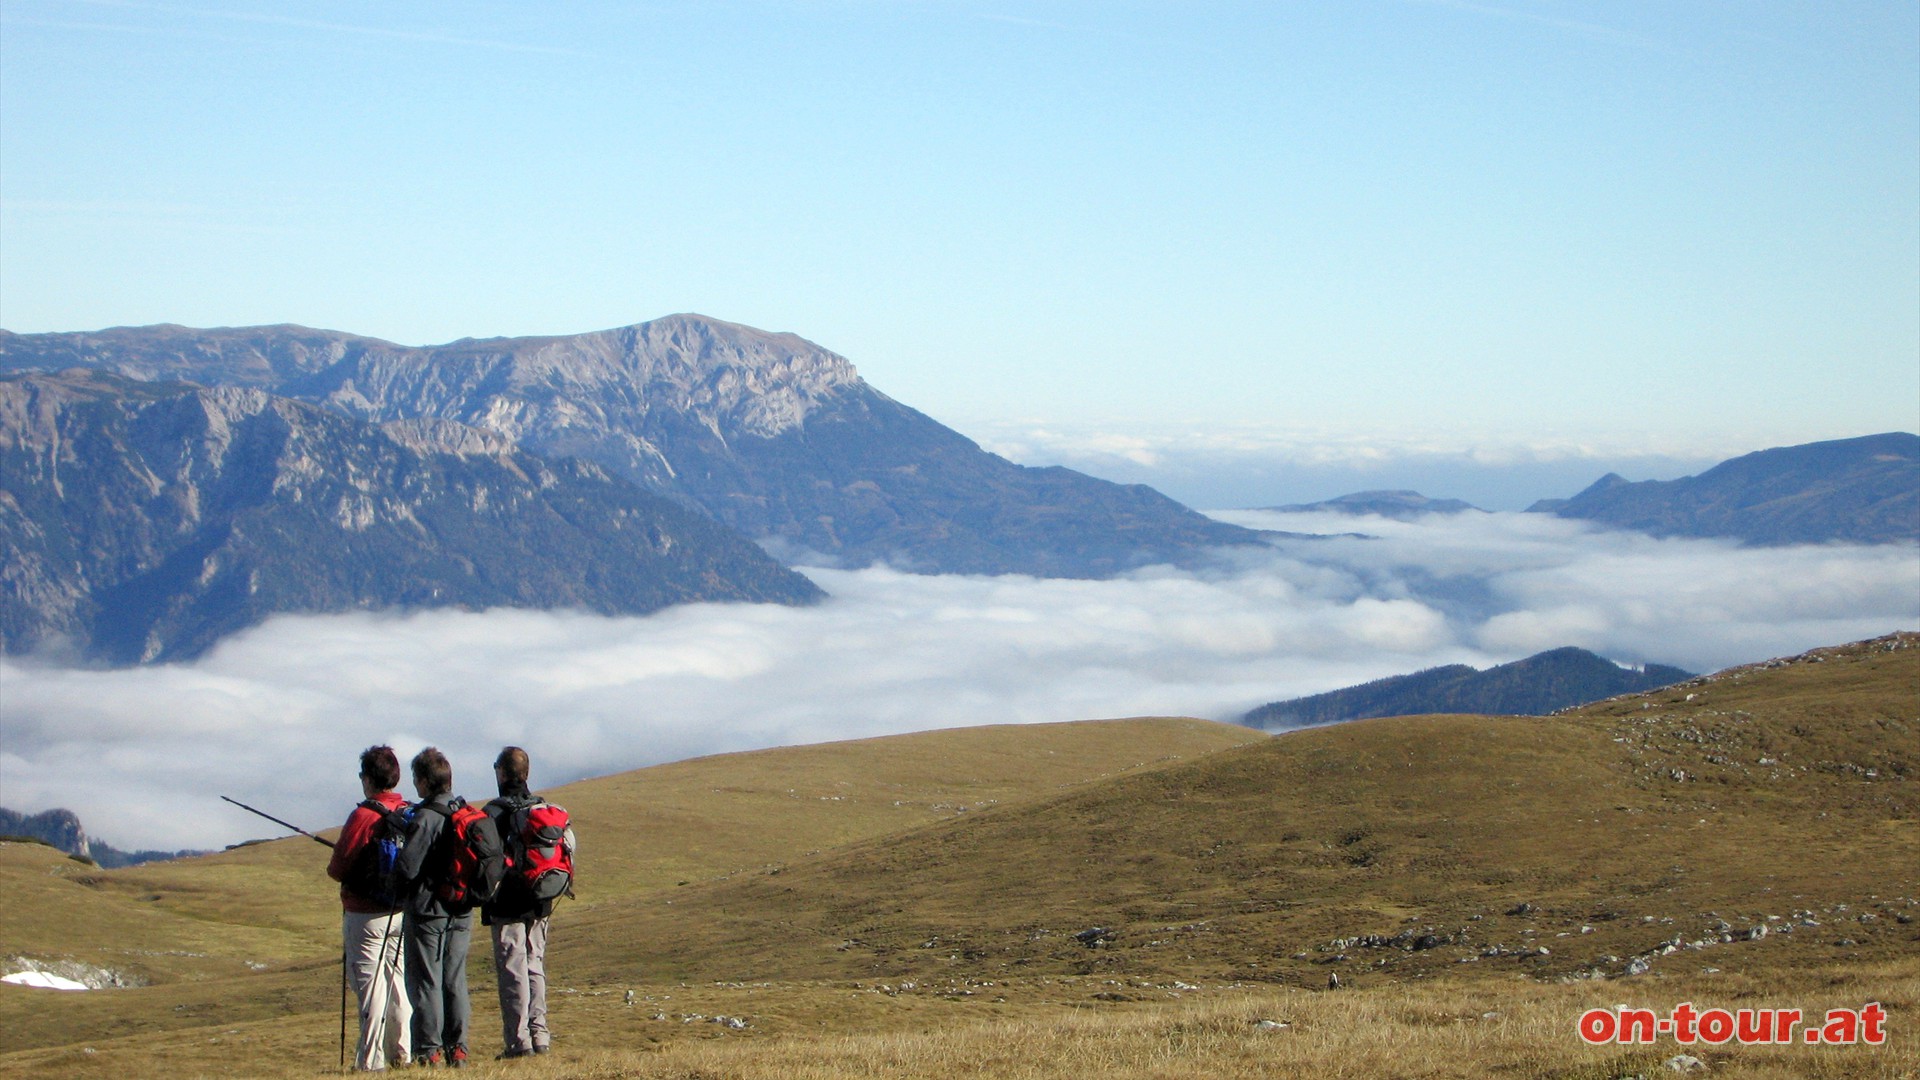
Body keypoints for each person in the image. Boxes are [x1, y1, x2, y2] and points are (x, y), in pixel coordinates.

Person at [326, 745, 413, 1071]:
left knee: (371, 989)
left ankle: (371, 1061)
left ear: (368, 779)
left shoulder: (363, 816)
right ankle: (401, 1051)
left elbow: (338, 868)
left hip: (364, 913)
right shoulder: (408, 812)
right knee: (396, 983)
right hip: (401, 911)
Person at [481, 746, 568, 1059]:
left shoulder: (493, 812)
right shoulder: (541, 808)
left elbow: (486, 860)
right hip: (541, 899)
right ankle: (540, 1035)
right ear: (526, 773)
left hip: (507, 902)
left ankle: (519, 1043)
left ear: (501, 773)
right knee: (534, 967)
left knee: (512, 970)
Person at [395, 747, 474, 1068]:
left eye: (416, 779)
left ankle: (430, 1050)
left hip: (429, 911)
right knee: (454, 979)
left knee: (427, 980)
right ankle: (458, 1048)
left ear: (426, 782)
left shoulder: (425, 818)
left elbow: (408, 869)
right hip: (462, 908)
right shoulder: (465, 812)